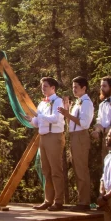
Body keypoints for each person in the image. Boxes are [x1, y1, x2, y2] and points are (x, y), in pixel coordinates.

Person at [33, 76, 67, 210]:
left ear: (53, 88)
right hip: (43, 137)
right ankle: (48, 199)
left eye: (45, 86)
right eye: (42, 86)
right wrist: (30, 118)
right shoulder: (42, 103)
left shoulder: (58, 101)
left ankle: (58, 201)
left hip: (54, 136)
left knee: (56, 170)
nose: (43, 89)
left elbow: (55, 118)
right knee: (46, 170)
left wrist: (39, 117)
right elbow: (37, 122)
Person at [66, 75, 94, 210]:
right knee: (77, 169)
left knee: (82, 169)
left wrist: (67, 114)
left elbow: (83, 123)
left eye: (76, 87)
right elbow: (71, 123)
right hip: (74, 136)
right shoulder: (78, 102)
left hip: (81, 137)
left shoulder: (86, 103)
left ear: (84, 88)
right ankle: (81, 200)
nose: (74, 90)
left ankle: (84, 202)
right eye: (72, 87)